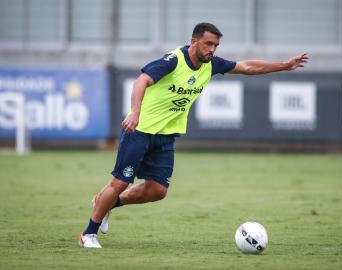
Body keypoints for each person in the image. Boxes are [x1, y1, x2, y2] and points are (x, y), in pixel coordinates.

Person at [79, 22, 309, 248]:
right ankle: (88, 234)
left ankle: (107, 203)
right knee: (120, 182)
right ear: (194, 42)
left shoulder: (211, 64)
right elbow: (142, 81)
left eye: (216, 45)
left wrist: (284, 65)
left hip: (166, 135)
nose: (212, 49)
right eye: (208, 44)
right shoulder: (173, 60)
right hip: (139, 130)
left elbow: (247, 67)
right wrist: (136, 112)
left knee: (158, 190)